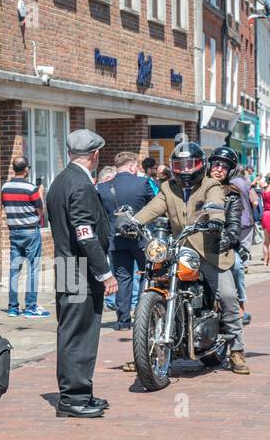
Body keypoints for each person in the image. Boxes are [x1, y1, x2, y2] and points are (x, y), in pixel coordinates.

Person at [123, 142, 250, 375]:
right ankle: (145, 353)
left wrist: (216, 220)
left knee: (229, 296)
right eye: (180, 164)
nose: (185, 169)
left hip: (210, 252)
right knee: (151, 285)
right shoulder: (167, 188)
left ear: (201, 165)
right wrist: (133, 222)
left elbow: (215, 205)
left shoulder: (211, 185)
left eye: (191, 164)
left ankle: (236, 350)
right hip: (178, 249)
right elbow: (153, 208)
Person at [46, 129, 116, 418]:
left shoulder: (60, 180)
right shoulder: (81, 185)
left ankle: (80, 391)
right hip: (79, 269)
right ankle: (73, 397)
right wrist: (105, 272)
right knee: (80, 334)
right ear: (95, 155)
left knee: (74, 330)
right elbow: (85, 233)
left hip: (67, 265)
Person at [101, 151, 154, 330]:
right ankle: (142, 318)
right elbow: (155, 207)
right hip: (141, 239)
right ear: (132, 166)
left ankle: (123, 321)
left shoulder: (103, 187)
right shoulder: (143, 183)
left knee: (123, 279)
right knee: (147, 275)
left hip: (116, 239)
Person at [208, 146, 252, 327]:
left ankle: (240, 304)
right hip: (197, 242)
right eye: (216, 165)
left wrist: (229, 238)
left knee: (236, 266)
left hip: (222, 242)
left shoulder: (232, 193)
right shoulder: (197, 188)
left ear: (230, 171)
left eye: (224, 167)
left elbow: (234, 222)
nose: (219, 169)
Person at [0, 156, 48, 318]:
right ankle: (30, 307)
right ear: (26, 169)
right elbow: (41, 211)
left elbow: (6, 206)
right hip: (30, 231)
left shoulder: (5, 187)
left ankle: (13, 307)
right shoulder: (31, 188)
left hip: (14, 231)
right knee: (33, 270)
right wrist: (41, 193)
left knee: (14, 270)